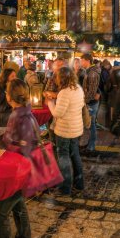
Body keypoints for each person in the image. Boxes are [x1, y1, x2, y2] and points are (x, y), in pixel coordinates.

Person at [0, 79, 36, 238]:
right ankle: (24, 237)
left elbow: (12, 144)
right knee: (18, 202)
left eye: (7, 91)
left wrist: (2, 139)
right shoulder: (27, 112)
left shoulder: (16, 116)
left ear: (10, 97)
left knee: (1, 212)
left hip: (16, 169)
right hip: (26, 167)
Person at [49, 66, 86, 195]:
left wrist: (50, 103)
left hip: (64, 130)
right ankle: (79, 183)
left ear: (61, 79)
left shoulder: (64, 92)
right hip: (76, 129)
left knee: (63, 157)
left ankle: (65, 187)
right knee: (75, 154)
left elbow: (57, 113)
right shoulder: (78, 89)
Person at [79, 54, 102, 153]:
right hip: (90, 102)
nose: (81, 62)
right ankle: (89, 144)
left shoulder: (92, 73)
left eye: (82, 60)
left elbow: (91, 91)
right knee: (89, 124)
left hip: (91, 103)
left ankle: (91, 146)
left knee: (91, 124)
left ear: (87, 61)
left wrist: (85, 101)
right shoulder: (89, 71)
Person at [0, 62, 19, 127]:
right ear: (6, 77)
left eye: (15, 76)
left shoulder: (13, 86)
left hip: (10, 113)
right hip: (3, 116)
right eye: (12, 76)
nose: (15, 78)